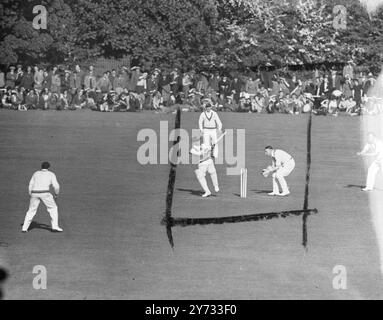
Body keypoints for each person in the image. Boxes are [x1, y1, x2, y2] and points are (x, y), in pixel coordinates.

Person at [22, 162, 63, 233]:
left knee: (31, 210)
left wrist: (30, 193)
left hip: (34, 193)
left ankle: (24, 228)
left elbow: (30, 184)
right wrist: (56, 194)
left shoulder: (36, 173)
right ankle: (55, 226)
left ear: (41, 167)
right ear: (49, 167)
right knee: (53, 208)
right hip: (45, 193)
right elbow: (56, 186)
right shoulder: (51, 174)